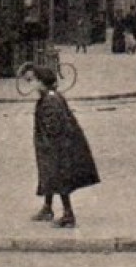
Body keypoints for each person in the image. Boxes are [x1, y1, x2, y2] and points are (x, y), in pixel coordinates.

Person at [28, 64, 99, 228]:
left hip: (58, 146)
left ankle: (68, 214)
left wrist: (48, 146)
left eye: (33, 80)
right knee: (49, 176)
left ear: (41, 82)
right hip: (60, 144)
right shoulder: (52, 96)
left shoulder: (49, 101)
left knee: (59, 178)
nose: (31, 84)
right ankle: (48, 207)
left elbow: (53, 127)